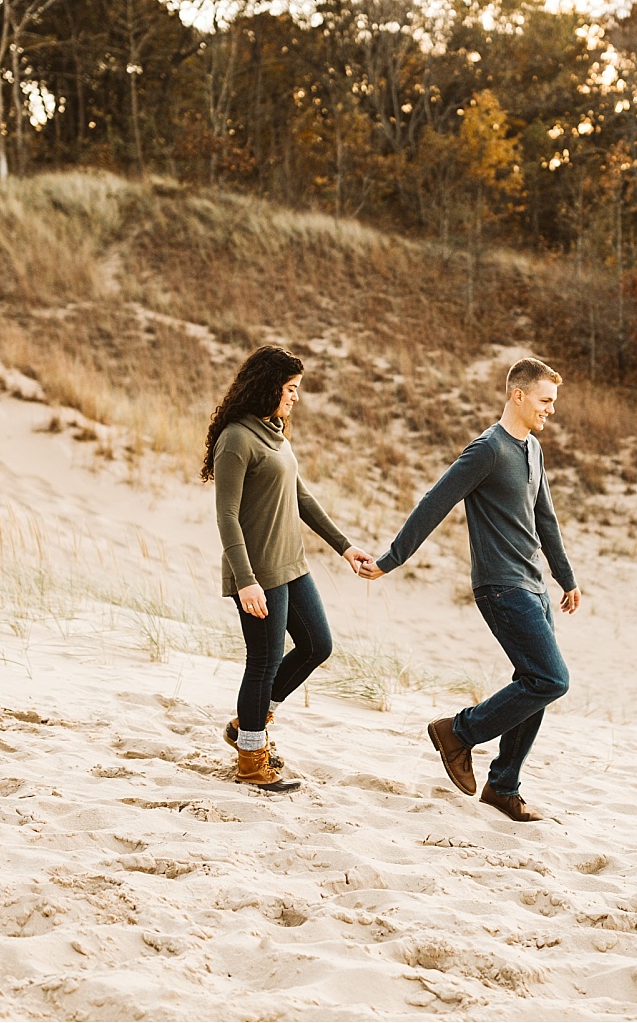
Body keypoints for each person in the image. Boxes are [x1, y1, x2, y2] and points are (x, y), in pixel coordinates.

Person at [360, 356, 580, 822]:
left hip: (534, 586)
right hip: (501, 587)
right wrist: (390, 560)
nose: (551, 410)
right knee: (551, 679)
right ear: (517, 395)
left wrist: (565, 578)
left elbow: (546, 520)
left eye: (553, 402)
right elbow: (434, 502)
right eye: (545, 400)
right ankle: (457, 732)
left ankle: (503, 787)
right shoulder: (488, 449)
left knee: (535, 684)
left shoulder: (531, 450)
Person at [204, 345, 377, 792]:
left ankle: (249, 722)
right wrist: (246, 582)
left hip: (292, 565)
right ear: (269, 387)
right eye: (291, 388)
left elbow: (300, 497)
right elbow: (226, 516)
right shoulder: (237, 439)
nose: (296, 397)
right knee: (262, 661)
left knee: (318, 645)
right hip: (258, 570)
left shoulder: (273, 431)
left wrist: (344, 546)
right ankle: (251, 759)